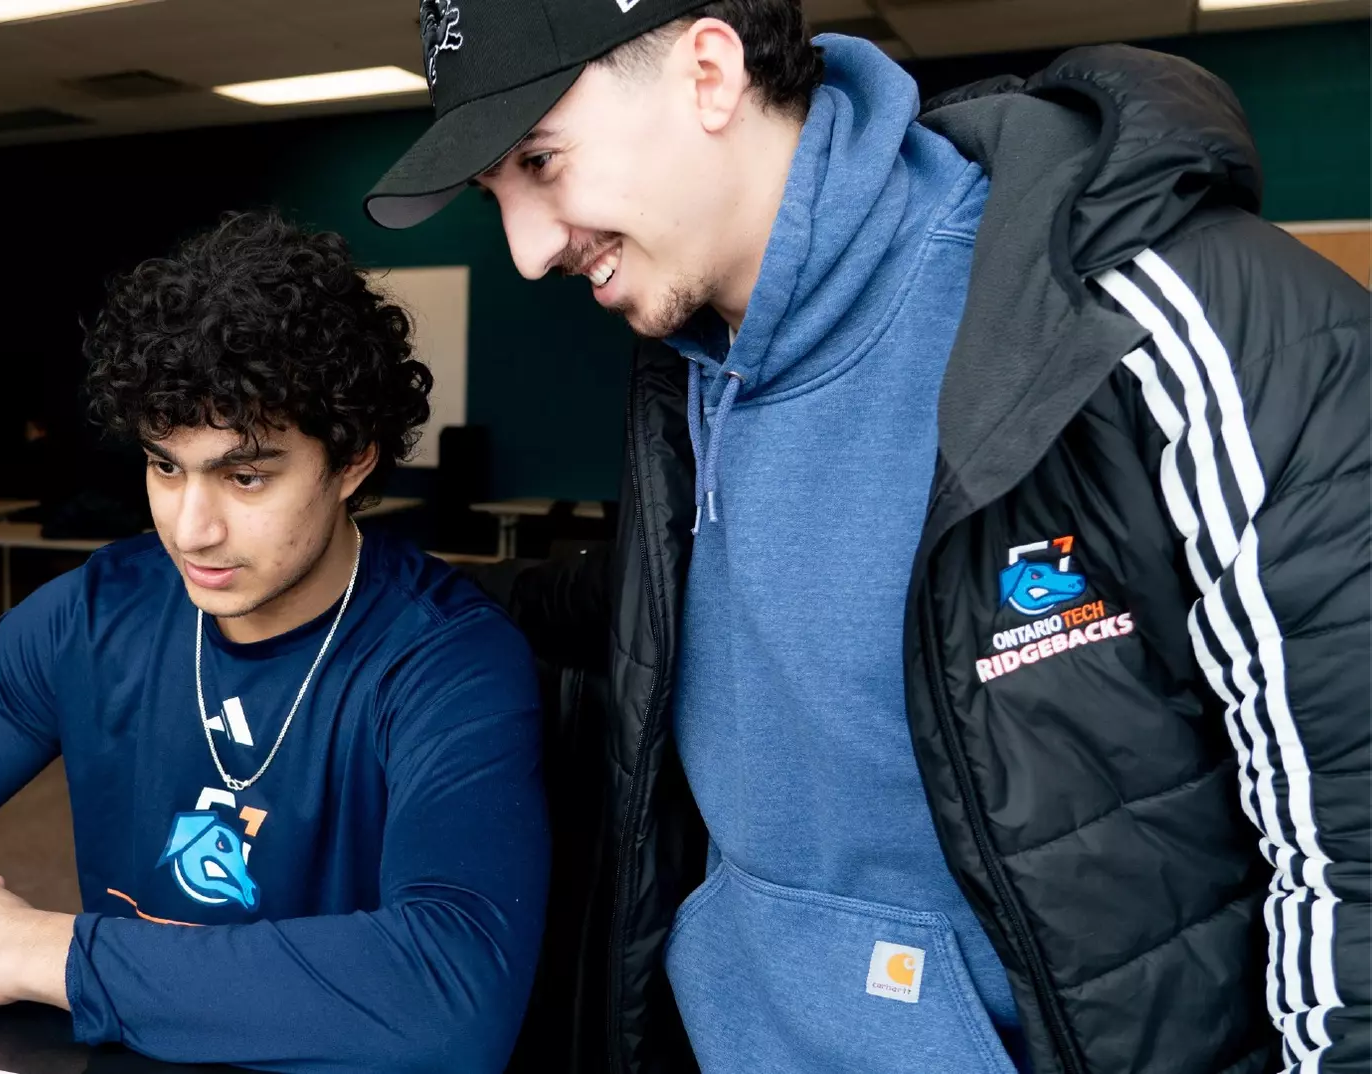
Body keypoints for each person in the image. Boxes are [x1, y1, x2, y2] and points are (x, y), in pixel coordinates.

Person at [369, 2, 1368, 1072]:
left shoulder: (1147, 311)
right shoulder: (685, 361)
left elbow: (1349, 836)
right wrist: (386, 591)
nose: (527, 252)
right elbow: (704, 609)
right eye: (496, 194)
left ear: (709, 73)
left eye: (541, 160)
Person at [0, 210, 549, 1074]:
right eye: (165, 466)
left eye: (246, 476)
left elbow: (449, 998)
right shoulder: (92, 614)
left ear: (353, 459)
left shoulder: (448, 659)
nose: (191, 529)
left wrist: (44, 952)